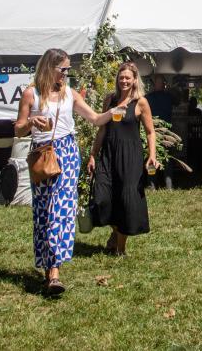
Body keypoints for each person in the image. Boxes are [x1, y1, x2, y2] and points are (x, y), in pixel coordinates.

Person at [14, 48, 112, 296]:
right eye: (63, 70)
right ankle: (49, 267)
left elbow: (95, 119)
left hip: (67, 152)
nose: (67, 74)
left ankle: (54, 272)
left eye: (68, 69)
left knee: (62, 208)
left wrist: (117, 109)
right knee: (44, 210)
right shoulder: (31, 93)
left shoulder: (70, 94)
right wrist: (31, 122)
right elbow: (17, 129)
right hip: (42, 153)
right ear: (49, 68)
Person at [87, 61, 159, 257]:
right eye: (121, 78)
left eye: (128, 78)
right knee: (102, 198)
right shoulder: (109, 99)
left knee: (126, 200)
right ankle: (115, 231)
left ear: (135, 80)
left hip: (130, 157)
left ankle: (120, 247)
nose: (124, 81)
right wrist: (93, 154)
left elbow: (150, 132)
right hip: (108, 154)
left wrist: (151, 155)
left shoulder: (141, 102)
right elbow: (102, 128)